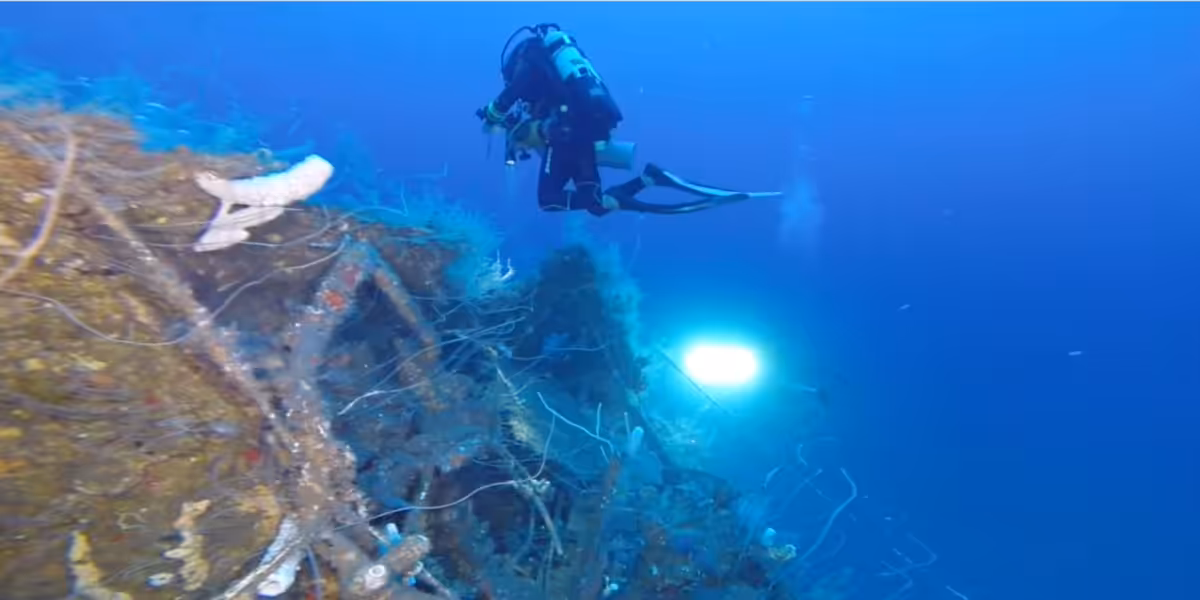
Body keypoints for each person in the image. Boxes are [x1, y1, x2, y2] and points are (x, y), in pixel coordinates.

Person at [476, 23, 780, 217]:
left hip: (569, 132)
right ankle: (650, 179)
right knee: (595, 204)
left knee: (550, 200)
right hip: (589, 127)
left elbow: (516, 91)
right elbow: (541, 108)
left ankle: (646, 186)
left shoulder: (530, 57)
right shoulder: (565, 73)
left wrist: (494, 111)